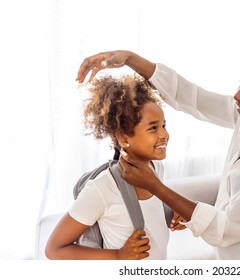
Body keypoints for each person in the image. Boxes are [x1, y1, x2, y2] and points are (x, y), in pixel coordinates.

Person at [76, 17, 240, 259]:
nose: (237, 96)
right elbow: (194, 98)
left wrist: (156, 186)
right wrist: (130, 58)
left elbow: (224, 228)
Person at [46, 74, 180, 260]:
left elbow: (150, 216)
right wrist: (118, 255)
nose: (165, 135)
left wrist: (171, 213)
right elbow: (54, 249)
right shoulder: (102, 188)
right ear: (124, 139)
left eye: (164, 126)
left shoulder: (156, 169)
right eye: (153, 128)